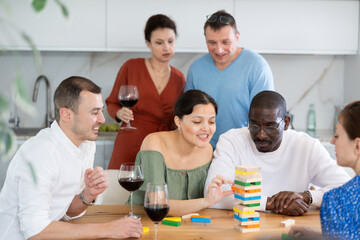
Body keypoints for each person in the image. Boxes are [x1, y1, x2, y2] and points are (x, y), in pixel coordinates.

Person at [0, 76, 143, 239]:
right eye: (94, 112)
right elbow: (35, 231)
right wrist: (108, 229)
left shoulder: (86, 144)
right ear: (66, 114)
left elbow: (66, 212)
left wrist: (87, 195)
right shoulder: (41, 153)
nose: (102, 120)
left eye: (101, 110)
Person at [204, 90, 351, 216]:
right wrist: (271, 203)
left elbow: (349, 190)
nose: (261, 135)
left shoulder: (306, 146)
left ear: (286, 122)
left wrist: (306, 197)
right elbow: (214, 194)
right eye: (254, 125)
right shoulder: (231, 141)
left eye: (270, 126)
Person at [130, 90, 233, 216]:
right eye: (197, 122)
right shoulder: (154, 143)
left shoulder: (207, 150)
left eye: (211, 122)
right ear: (178, 122)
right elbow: (157, 204)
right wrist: (206, 201)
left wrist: (214, 192)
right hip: (143, 222)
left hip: (185, 227)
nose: (206, 129)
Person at [185, 10, 274, 148]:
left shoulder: (257, 67)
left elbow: (265, 118)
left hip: (243, 150)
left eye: (226, 42)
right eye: (212, 43)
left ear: (237, 37)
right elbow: (187, 115)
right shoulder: (196, 68)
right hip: (202, 150)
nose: (219, 50)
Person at [106, 14, 185, 169]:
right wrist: (119, 113)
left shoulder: (179, 78)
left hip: (162, 145)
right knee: (121, 189)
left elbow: (178, 117)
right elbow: (111, 103)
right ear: (148, 44)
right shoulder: (131, 67)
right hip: (131, 141)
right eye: (159, 42)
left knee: (155, 190)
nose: (166, 48)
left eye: (171, 41)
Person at [290, 101, 360, 239]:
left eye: (337, 135)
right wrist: (319, 235)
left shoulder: (337, 202)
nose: (332, 141)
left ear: (357, 145)